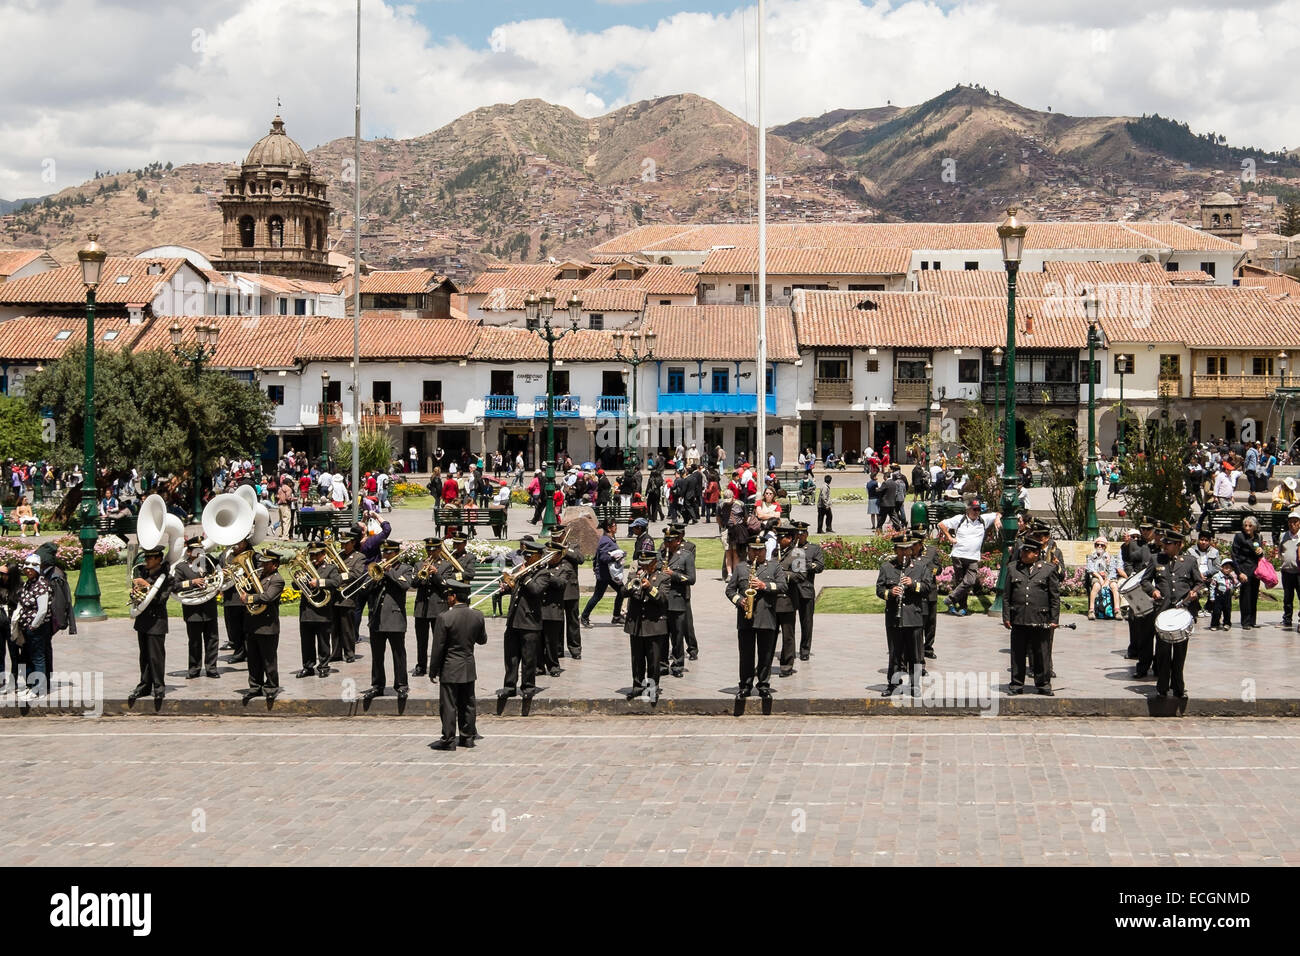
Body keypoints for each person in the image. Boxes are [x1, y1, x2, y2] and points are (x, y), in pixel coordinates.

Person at [427, 579, 487, 751]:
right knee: (468, 703)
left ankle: (448, 739)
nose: (447, 598)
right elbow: (482, 640)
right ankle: (467, 738)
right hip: (468, 666)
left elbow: (438, 647)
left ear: (454, 597)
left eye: (448, 595)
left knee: (449, 705)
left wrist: (433, 670)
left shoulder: (445, 617)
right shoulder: (477, 615)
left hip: (450, 667)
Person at [726, 538, 785, 701]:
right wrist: (739, 600)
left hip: (766, 616)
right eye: (753, 550)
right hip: (746, 618)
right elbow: (730, 590)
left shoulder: (774, 566)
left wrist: (763, 585)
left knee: (765, 654)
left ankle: (764, 686)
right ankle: (745, 686)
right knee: (746, 654)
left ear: (765, 551)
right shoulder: (741, 568)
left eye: (760, 550)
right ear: (748, 551)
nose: (756, 553)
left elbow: (782, 586)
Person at [876, 531, 933, 696]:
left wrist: (913, 584)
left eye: (907, 549)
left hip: (913, 617)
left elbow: (928, 588)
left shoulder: (920, 568)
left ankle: (915, 686)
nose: (904, 553)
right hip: (894, 618)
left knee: (915, 654)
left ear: (911, 550)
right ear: (896, 550)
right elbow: (879, 589)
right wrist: (890, 592)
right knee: (894, 653)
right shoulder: (887, 567)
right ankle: (893, 685)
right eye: (901, 549)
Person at [1001, 535, 1059, 696]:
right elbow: (1007, 595)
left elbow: (1054, 596)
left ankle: (1043, 684)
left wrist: (1054, 619)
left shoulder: (1048, 569)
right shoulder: (1013, 568)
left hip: (1040, 619)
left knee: (1041, 652)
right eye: (1023, 551)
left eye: (1028, 552)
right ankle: (1016, 684)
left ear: (1037, 553)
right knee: (1017, 653)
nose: (1024, 554)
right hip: (1019, 618)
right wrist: (1006, 617)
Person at [1152, 530, 1202, 699]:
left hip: (1182, 613)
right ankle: (1162, 688)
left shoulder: (1189, 562)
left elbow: (1199, 582)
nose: (1165, 546)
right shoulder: (1156, 560)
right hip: (1163, 613)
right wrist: (1153, 591)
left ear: (1179, 545)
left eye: (1169, 544)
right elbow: (1144, 580)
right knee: (1163, 653)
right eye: (1164, 543)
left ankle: (1178, 686)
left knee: (1180, 653)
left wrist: (1195, 592)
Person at [363, 540, 414, 701]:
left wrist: (390, 572)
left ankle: (401, 685)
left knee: (398, 654)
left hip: (395, 617)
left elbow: (405, 585)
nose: (385, 555)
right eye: (384, 552)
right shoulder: (375, 568)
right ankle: (377, 685)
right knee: (377, 655)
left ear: (396, 554)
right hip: (376, 618)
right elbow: (364, 590)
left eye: (389, 553)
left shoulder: (405, 568)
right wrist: (375, 579)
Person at [499, 540, 549, 700]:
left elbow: (535, 590)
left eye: (529, 556)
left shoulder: (543, 574)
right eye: (525, 555)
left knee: (528, 658)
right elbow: (517, 591)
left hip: (530, 621)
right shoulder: (522, 571)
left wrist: (525, 576)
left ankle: (528, 686)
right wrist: (506, 587)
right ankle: (509, 686)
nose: (526, 559)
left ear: (538, 556)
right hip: (514, 619)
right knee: (511, 657)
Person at [240, 549, 286, 704]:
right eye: (263, 562)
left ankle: (272, 687)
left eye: (266, 563)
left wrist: (249, 598)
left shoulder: (277, 580)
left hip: (268, 626)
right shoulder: (258, 576)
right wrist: (241, 580)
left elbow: (267, 597)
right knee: (253, 659)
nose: (262, 565)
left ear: (275, 565)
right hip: (252, 625)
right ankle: (255, 687)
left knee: (269, 660)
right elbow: (246, 591)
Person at [624, 553, 671, 703]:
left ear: (655, 563)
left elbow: (663, 600)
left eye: (647, 564)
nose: (644, 567)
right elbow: (622, 592)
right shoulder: (634, 576)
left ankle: (652, 688)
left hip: (654, 625)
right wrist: (632, 582)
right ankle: (637, 686)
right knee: (636, 659)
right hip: (636, 625)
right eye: (642, 564)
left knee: (653, 660)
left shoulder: (663, 578)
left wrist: (650, 588)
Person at [127, 545, 171, 704]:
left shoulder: (165, 577)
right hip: (143, 621)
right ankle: (144, 685)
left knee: (156, 657)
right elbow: (137, 597)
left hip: (157, 622)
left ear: (159, 559)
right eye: (146, 558)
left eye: (150, 558)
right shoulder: (143, 573)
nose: (146, 560)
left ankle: (159, 688)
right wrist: (134, 593)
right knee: (144, 656)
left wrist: (146, 585)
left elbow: (161, 599)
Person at [171, 536, 221, 678]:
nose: (200, 553)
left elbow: (220, 574)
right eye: (196, 551)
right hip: (192, 610)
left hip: (209, 608)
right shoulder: (181, 567)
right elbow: (174, 586)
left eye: (201, 550)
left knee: (212, 639)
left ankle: (211, 668)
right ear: (189, 552)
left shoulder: (209, 563)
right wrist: (192, 582)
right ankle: (194, 669)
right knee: (194, 641)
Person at [939, 499, 999, 615]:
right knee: (961, 582)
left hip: (973, 557)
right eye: (975, 509)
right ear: (969, 509)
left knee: (970, 581)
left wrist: (996, 519)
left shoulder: (983, 520)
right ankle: (963, 607)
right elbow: (941, 524)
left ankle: (950, 599)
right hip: (958, 555)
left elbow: (998, 513)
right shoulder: (959, 519)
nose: (977, 512)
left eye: (979, 510)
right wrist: (949, 538)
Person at [295, 544, 341, 679]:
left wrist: (319, 583)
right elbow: (295, 585)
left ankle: (323, 666)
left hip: (322, 612)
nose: (313, 558)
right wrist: (299, 580)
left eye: (316, 555)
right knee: (306, 642)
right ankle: (308, 667)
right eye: (311, 555)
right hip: (307, 611)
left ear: (323, 554)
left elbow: (336, 582)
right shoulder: (306, 569)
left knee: (323, 641)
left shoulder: (331, 568)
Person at [12, 554, 53, 701]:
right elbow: (22, 602)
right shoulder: (28, 584)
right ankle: (31, 686)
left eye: (31, 568)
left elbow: (42, 610)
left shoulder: (42, 585)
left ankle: (39, 688)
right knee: (27, 657)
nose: (28, 571)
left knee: (38, 657)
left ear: (37, 569)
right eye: (26, 568)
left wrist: (33, 625)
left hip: (37, 628)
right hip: (25, 628)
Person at [330, 529, 365, 664]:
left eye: (346, 544)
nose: (343, 546)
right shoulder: (338, 555)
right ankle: (336, 653)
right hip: (335, 596)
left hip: (348, 596)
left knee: (347, 627)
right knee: (335, 627)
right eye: (342, 544)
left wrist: (339, 576)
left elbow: (356, 574)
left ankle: (349, 653)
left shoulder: (359, 557)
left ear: (353, 542)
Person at [792, 521, 824, 661]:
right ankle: (789, 650)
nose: (799, 537)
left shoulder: (813, 548)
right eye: (797, 534)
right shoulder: (789, 548)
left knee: (806, 622)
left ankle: (805, 650)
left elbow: (820, 566)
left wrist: (805, 565)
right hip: (790, 590)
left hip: (806, 589)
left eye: (802, 534)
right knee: (789, 623)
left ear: (806, 534)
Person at [581, 518, 620, 628]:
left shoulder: (609, 538)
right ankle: (584, 616)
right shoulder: (605, 540)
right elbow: (603, 557)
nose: (616, 527)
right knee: (597, 596)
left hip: (610, 574)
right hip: (604, 575)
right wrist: (617, 557)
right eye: (614, 525)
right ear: (609, 528)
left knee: (622, 591)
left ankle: (616, 616)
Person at [1231, 515, 1265, 629]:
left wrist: (1261, 551)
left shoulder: (1258, 537)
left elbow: (1259, 555)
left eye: (1250, 526)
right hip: (1244, 569)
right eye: (1245, 525)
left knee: (1254, 595)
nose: (1247, 528)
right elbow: (1234, 555)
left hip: (1255, 570)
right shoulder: (1239, 537)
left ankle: (1252, 621)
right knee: (1245, 596)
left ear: (1255, 527)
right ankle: (1245, 622)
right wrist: (1239, 572)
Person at [1085, 536, 1123, 621]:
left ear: (1105, 546)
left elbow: (1112, 571)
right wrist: (1100, 577)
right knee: (1096, 586)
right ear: (1095, 546)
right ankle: (1091, 610)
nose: (1099, 547)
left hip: (1109, 577)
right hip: (1097, 577)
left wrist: (1107, 580)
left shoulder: (1110, 557)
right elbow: (1090, 569)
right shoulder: (1091, 557)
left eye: (1102, 545)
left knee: (1114, 586)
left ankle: (1117, 610)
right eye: (1097, 545)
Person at [1280, 510, 1300, 629]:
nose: (1292, 524)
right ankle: (1287, 619)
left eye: (1295, 521)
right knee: (1288, 597)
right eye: (1290, 522)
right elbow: (1280, 550)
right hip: (1287, 571)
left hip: (1299, 572)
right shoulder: (1284, 536)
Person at [1207, 558, 1238, 630]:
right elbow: (1212, 586)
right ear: (1222, 568)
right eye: (1226, 568)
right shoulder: (1217, 576)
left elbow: (1236, 584)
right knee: (1217, 611)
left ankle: (1227, 623)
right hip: (1219, 594)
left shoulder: (1231, 576)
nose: (1228, 570)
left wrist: (1235, 580)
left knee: (1227, 610)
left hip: (1227, 594)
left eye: (1230, 568)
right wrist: (1212, 596)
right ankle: (1215, 624)